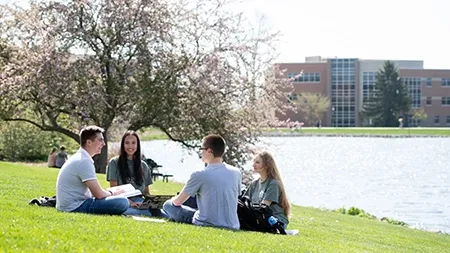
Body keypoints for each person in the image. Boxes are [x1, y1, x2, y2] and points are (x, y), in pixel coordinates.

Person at [163, 134, 241, 230]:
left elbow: (178, 202)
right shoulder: (236, 172)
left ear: (209, 151)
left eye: (201, 149)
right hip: (232, 224)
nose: (200, 152)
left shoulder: (200, 174)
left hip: (206, 223)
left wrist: (173, 199)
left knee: (167, 205)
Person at [56, 125, 129, 215]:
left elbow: (95, 192)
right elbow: (98, 194)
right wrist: (112, 193)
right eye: (100, 140)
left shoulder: (81, 158)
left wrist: (109, 193)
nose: (103, 144)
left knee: (119, 200)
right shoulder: (84, 161)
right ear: (89, 142)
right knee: (123, 202)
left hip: (70, 205)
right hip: (75, 207)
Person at [106, 130, 154, 217]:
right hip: (122, 201)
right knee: (142, 213)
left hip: (140, 202)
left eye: (133, 143)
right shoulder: (114, 162)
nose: (130, 146)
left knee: (160, 212)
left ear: (137, 145)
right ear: (123, 145)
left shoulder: (144, 165)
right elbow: (114, 189)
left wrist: (152, 202)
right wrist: (130, 203)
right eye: (127, 143)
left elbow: (146, 192)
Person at [243, 151, 291, 229]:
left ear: (266, 165)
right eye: (254, 162)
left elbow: (264, 208)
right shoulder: (254, 183)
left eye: (257, 162)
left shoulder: (273, 184)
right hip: (259, 217)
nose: (253, 165)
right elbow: (244, 201)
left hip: (275, 220)